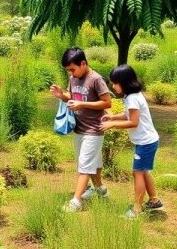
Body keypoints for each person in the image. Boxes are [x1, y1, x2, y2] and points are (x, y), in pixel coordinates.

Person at [51, 47, 112, 212]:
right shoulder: (73, 78)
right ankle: (100, 190)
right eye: (68, 70)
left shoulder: (96, 79)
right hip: (79, 128)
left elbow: (107, 102)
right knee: (93, 163)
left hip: (94, 129)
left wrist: (82, 104)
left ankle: (76, 202)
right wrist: (61, 95)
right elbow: (72, 96)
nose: (71, 73)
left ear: (83, 63)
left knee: (85, 165)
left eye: (72, 69)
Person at [100, 64, 163, 219]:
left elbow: (133, 122)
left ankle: (137, 209)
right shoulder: (132, 96)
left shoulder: (133, 98)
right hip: (148, 141)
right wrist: (113, 117)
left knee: (137, 173)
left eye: (115, 83)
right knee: (143, 171)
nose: (113, 87)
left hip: (146, 142)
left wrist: (112, 124)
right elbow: (129, 115)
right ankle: (154, 200)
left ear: (125, 82)